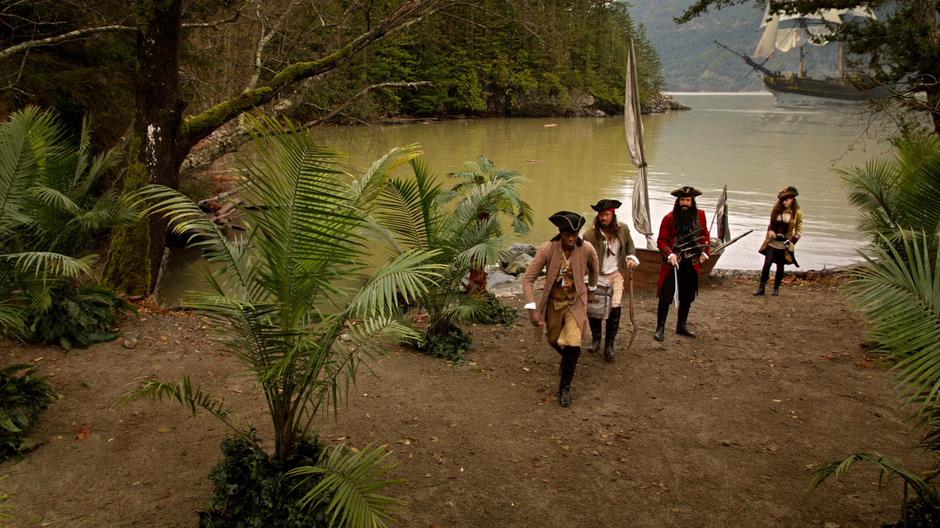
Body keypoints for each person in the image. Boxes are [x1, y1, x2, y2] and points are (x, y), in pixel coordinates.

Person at [522, 211, 600, 407]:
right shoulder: (547, 249)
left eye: (575, 234)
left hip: (575, 303)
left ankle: (564, 388)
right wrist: (532, 309)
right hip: (553, 303)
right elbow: (527, 280)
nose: (572, 238)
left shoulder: (587, 248)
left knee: (574, 345)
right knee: (553, 339)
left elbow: (594, 266)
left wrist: (592, 288)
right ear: (560, 233)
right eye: (567, 235)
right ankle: (567, 362)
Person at [582, 199, 640, 362]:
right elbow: (584, 257)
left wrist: (630, 258)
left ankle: (609, 345)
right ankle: (596, 339)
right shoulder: (589, 235)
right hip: (596, 275)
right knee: (594, 308)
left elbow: (629, 245)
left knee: (615, 308)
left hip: (615, 274)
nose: (603, 218)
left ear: (613, 215)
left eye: (606, 215)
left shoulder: (623, 230)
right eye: (600, 215)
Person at [654, 186, 710, 342]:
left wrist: (705, 252)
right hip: (673, 263)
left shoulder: (701, 216)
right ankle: (660, 328)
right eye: (682, 200)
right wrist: (669, 253)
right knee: (666, 295)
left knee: (687, 296)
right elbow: (661, 240)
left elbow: (705, 235)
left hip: (691, 262)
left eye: (687, 200)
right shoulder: (669, 218)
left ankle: (681, 326)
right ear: (677, 202)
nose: (685, 203)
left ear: (692, 202)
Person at [754, 186, 803, 296]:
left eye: (786, 200)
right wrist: (770, 231)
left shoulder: (797, 213)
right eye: (782, 200)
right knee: (767, 264)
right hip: (772, 242)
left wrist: (792, 243)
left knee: (780, 266)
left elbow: (799, 230)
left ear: (792, 200)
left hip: (785, 244)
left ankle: (776, 288)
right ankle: (761, 288)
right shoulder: (776, 209)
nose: (784, 202)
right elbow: (771, 224)